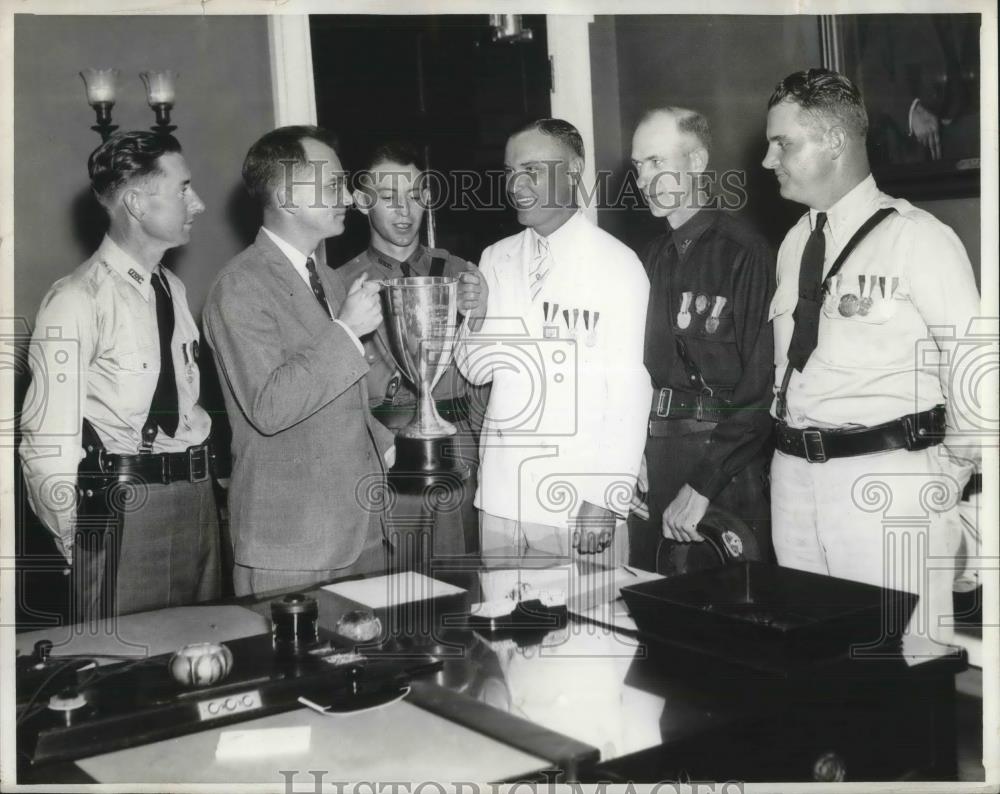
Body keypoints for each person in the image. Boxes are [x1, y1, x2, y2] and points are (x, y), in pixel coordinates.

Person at [762, 69, 980, 656]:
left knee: (900, 663)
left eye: (782, 143)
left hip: (885, 484)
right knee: (812, 661)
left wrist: (943, 478)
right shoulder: (794, 243)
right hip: (794, 482)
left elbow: (978, 370)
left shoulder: (919, 239)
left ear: (834, 141)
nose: (768, 159)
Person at [19, 131, 220, 618]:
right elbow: (46, 444)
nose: (198, 203)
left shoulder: (171, 288)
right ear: (136, 203)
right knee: (128, 660)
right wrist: (84, 545)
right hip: (123, 513)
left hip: (197, 502)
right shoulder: (76, 299)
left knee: (208, 646)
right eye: (182, 189)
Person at [203, 125, 395, 596]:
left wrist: (385, 444)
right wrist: (346, 331)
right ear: (288, 198)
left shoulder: (328, 279)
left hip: (360, 531)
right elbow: (269, 406)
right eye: (334, 185)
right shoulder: (239, 286)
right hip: (292, 546)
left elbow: (339, 398)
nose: (348, 197)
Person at [456, 118, 651, 565]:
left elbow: (630, 389)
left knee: (590, 611)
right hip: (503, 495)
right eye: (510, 172)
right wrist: (478, 314)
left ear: (574, 169)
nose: (517, 185)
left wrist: (606, 495)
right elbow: (475, 371)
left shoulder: (617, 264)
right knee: (500, 609)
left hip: (577, 502)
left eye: (532, 170)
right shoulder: (495, 257)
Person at [627, 107, 775, 573]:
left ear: (696, 162)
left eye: (657, 162)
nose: (644, 180)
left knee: (726, 601)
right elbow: (635, 371)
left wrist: (703, 485)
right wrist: (632, 452)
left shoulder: (745, 253)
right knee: (652, 596)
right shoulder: (647, 259)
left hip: (722, 463)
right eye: (638, 166)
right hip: (656, 457)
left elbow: (760, 388)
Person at [339, 141, 487, 563]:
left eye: (416, 195)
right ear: (363, 202)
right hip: (383, 456)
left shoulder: (462, 275)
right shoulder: (341, 286)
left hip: (458, 450)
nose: (405, 210)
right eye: (389, 197)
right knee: (395, 583)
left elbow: (488, 377)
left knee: (462, 576)